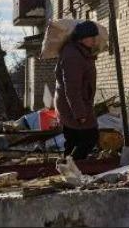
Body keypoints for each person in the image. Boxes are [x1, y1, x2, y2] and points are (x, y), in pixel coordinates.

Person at [54, 21, 99, 160]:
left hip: (76, 105)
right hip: (73, 107)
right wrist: (79, 113)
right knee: (89, 138)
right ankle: (72, 165)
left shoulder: (80, 52)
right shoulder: (72, 55)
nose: (94, 40)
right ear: (82, 38)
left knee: (74, 141)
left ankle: (70, 167)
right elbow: (72, 87)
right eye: (91, 37)